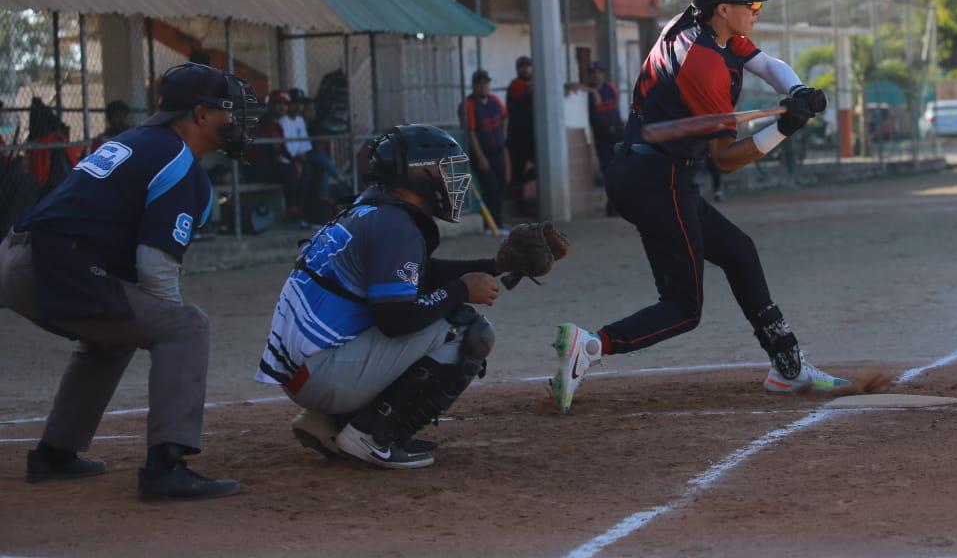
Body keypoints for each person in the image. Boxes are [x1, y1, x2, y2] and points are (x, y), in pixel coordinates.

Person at [548, 0, 850, 414]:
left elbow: (766, 64)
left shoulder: (701, 26)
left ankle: (787, 366)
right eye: (750, 3)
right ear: (723, 8)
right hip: (657, 180)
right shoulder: (703, 64)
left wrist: (797, 91)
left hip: (655, 174)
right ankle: (591, 346)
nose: (756, 10)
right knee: (684, 307)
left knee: (738, 251)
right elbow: (727, 160)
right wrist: (784, 130)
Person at [0, 62, 258, 500]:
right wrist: (164, 322)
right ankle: (166, 467)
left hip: (21, 258)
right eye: (226, 111)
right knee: (185, 327)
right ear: (198, 115)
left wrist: (145, 319)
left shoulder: (138, 141)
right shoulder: (178, 161)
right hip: (52, 265)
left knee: (113, 335)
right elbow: (155, 267)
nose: (235, 121)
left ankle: (56, 453)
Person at [255, 124, 567, 469]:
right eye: (443, 169)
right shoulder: (396, 226)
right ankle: (372, 435)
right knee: (465, 329)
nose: (453, 179)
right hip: (322, 376)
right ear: (416, 175)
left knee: (430, 311)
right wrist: (462, 289)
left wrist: (495, 266)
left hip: (305, 370)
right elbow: (397, 321)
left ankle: (328, 422)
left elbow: (416, 275)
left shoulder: (370, 210)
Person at [463, 70, 509, 231]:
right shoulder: (469, 104)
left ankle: (498, 223)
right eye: (479, 83)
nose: (483, 86)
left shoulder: (495, 100)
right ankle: (490, 225)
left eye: (486, 83)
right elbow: (471, 132)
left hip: (498, 151)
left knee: (501, 187)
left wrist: (503, 137)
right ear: (474, 86)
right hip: (483, 154)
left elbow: (504, 117)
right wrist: (480, 157)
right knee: (490, 188)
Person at [584, 61, 624, 215]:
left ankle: (618, 205)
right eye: (593, 73)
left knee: (621, 170)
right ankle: (612, 207)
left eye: (599, 72)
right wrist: (591, 91)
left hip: (617, 132)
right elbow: (571, 86)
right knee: (608, 171)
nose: (596, 75)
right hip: (601, 136)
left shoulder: (609, 88)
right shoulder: (586, 93)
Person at [505, 55, 535, 208]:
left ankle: (521, 190)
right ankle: (519, 205)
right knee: (517, 172)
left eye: (527, 66)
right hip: (517, 137)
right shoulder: (515, 84)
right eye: (522, 66)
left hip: (532, 136)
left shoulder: (532, 83)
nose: (525, 69)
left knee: (539, 167)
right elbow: (529, 89)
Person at [280, 89, 312, 222]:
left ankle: (305, 211)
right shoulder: (283, 121)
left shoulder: (300, 120)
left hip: (301, 157)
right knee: (298, 171)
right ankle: (294, 209)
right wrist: (298, 155)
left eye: (300, 104)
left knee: (313, 169)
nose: (298, 107)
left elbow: (305, 144)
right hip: (287, 159)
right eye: (294, 103)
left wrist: (302, 155)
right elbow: (288, 149)